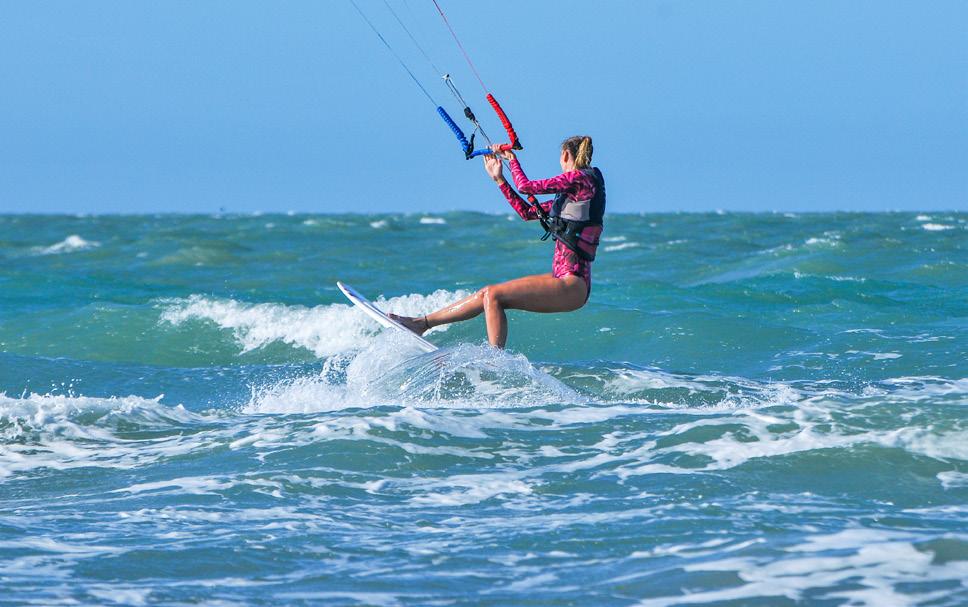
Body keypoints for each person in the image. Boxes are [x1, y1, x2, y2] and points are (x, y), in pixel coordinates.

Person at [392, 136, 606, 348]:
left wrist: (512, 159)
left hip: (572, 284)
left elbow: (525, 186)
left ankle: (494, 360)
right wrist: (500, 180)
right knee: (487, 293)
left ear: (565, 155)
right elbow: (526, 212)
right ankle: (421, 323)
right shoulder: (575, 195)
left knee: (494, 296)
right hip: (565, 280)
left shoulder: (581, 179)